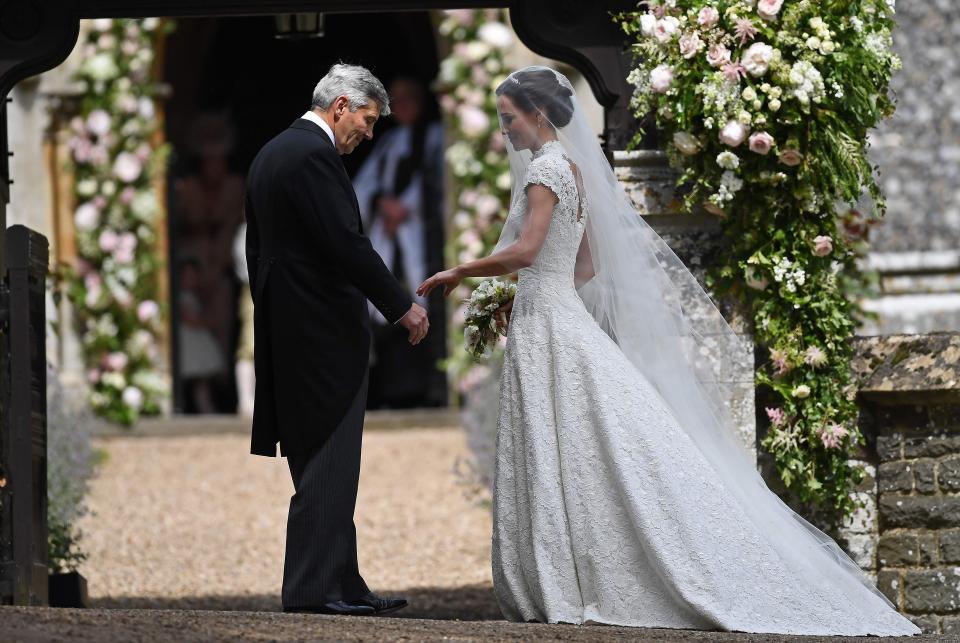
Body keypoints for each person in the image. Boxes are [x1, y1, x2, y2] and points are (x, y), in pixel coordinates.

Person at [417, 67, 919, 635]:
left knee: (556, 443)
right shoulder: (574, 170)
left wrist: (464, 269)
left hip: (547, 326)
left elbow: (529, 249)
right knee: (589, 442)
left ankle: (565, 577)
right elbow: (586, 264)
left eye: (508, 118)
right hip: (559, 315)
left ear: (536, 115)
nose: (504, 129)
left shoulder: (543, 172)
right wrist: (531, 291)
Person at [244, 63, 429, 616]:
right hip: (321, 337)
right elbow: (346, 245)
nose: (368, 134)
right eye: (367, 121)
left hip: (292, 330)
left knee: (325, 466)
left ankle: (342, 583)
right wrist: (402, 307)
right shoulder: (312, 156)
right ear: (341, 105)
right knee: (328, 462)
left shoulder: (275, 151)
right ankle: (310, 591)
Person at [353, 76, 446, 409]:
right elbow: (364, 185)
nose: (404, 106)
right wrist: (381, 203)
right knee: (387, 311)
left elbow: (439, 183)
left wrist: (407, 205)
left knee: (423, 303)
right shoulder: (389, 142)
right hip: (391, 238)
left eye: (410, 98)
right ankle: (392, 391)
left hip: (419, 236)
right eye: (399, 99)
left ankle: (426, 389)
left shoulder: (437, 137)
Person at [177, 257, 226, 414]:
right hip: (189, 342)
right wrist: (209, 322)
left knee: (201, 382)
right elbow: (190, 319)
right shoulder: (181, 297)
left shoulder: (191, 296)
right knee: (193, 381)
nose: (192, 280)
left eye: (194, 276)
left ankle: (206, 409)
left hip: (195, 342)